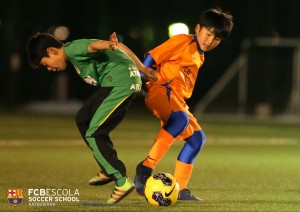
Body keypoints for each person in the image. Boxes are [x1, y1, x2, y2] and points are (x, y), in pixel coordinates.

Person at [26, 32, 157, 204]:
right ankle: (107, 167)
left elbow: (94, 46)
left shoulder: (72, 49)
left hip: (119, 84)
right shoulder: (74, 53)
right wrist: (143, 68)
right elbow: (119, 47)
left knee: (94, 133)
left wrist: (107, 45)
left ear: (51, 51)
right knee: (82, 119)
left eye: (46, 64)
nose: (50, 68)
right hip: (120, 82)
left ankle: (121, 179)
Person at [134, 7, 233, 201]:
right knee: (180, 119)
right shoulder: (183, 41)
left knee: (197, 139)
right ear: (198, 28)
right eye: (209, 33)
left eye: (216, 38)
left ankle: (179, 189)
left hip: (176, 99)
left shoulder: (200, 55)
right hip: (161, 90)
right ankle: (145, 168)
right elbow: (152, 57)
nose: (210, 40)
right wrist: (139, 78)